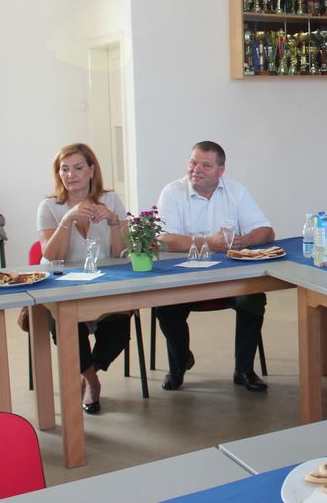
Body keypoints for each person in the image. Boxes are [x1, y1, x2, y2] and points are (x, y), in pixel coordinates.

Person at [154, 141, 274, 392]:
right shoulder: (173, 192)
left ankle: (244, 370)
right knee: (165, 307)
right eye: (192, 163)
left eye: (205, 166)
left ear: (221, 170)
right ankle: (179, 363)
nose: (196, 170)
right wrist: (209, 243)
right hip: (184, 278)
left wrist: (244, 240)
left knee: (253, 298)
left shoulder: (235, 191)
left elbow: (266, 231)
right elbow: (165, 240)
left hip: (229, 278)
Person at [37, 143, 129, 414]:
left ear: (91, 170)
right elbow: (52, 256)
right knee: (66, 325)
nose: (71, 175)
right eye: (64, 169)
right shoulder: (49, 206)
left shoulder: (111, 200)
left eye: (78, 168)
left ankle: (89, 371)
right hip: (61, 286)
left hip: (104, 283)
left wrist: (114, 222)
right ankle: (91, 380)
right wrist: (66, 220)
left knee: (118, 331)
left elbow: (120, 254)